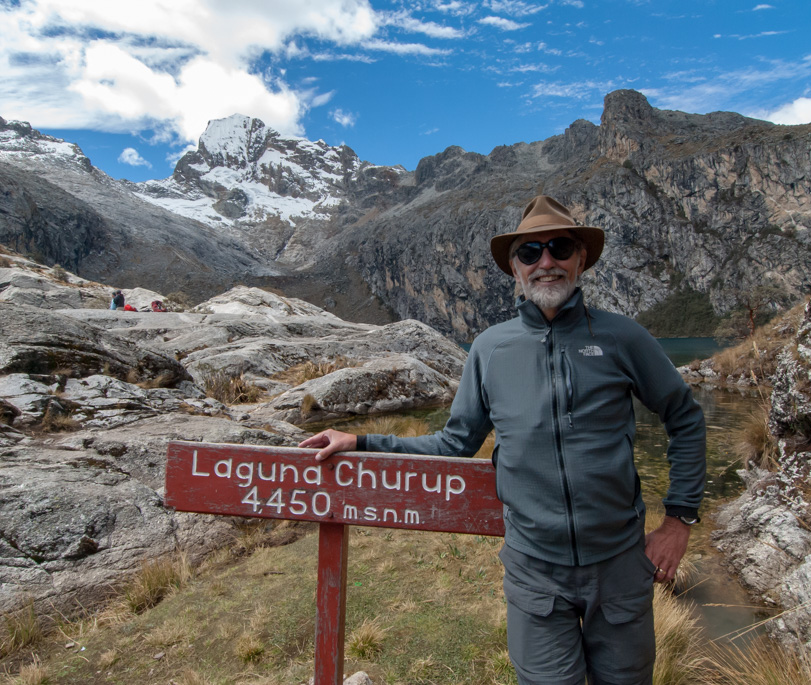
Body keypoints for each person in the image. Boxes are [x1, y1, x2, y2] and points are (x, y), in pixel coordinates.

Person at [300, 195, 706, 685]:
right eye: (530, 253)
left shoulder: (624, 338)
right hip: (535, 572)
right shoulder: (490, 349)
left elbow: (683, 416)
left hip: (620, 567)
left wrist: (679, 520)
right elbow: (453, 444)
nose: (546, 262)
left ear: (580, 258)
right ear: (515, 269)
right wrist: (361, 441)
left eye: (558, 247)